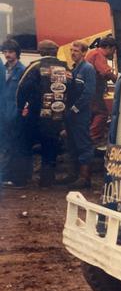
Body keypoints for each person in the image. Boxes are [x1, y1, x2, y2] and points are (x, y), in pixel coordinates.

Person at [16, 40, 71, 187]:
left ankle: (22, 179)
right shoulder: (65, 68)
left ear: (41, 51)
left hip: (34, 115)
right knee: (50, 146)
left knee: (25, 145)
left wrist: (20, 108)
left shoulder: (34, 67)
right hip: (56, 116)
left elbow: (22, 88)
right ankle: (47, 180)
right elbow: (75, 88)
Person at [59, 41, 96, 189]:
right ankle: (72, 175)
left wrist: (75, 109)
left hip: (81, 114)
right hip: (70, 114)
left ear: (84, 52)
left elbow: (89, 93)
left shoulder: (88, 69)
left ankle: (84, 178)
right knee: (72, 143)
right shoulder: (74, 69)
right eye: (71, 50)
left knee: (83, 144)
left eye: (76, 50)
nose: (73, 53)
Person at [1, 39, 27, 188]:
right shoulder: (2, 69)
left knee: (13, 145)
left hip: (15, 112)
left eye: (10, 52)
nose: (7, 55)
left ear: (17, 53)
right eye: (5, 52)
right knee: (4, 145)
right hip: (3, 112)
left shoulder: (22, 70)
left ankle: (12, 177)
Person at [86, 36, 117, 147]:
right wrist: (118, 81)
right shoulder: (98, 55)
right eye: (114, 50)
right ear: (108, 47)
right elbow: (106, 71)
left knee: (91, 114)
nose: (113, 53)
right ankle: (93, 138)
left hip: (89, 90)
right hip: (92, 91)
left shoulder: (92, 53)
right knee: (102, 113)